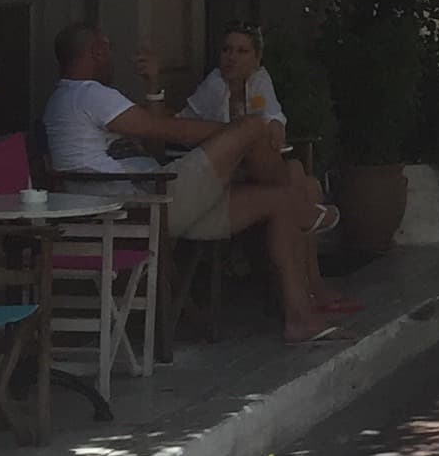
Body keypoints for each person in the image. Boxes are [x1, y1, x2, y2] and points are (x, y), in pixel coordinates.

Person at [44, 23, 348, 345]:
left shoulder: (66, 99)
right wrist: (235, 135)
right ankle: (307, 208)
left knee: (280, 199)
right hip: (150, 206)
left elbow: (154, 145)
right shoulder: (89, 94)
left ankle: (300, 318)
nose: (113, 58)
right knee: (254, 127)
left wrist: (157, 90)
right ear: (97, 52)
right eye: (109, 50)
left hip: (156, 200)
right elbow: (170, 131)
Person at [184, 23, 285, 129]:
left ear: (257, 58)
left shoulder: (259, 79)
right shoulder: (215, 83)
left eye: (241, 51)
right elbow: (185, 121)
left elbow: (274, 117)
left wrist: (276, 125)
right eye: (226, 50)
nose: (231, 57)